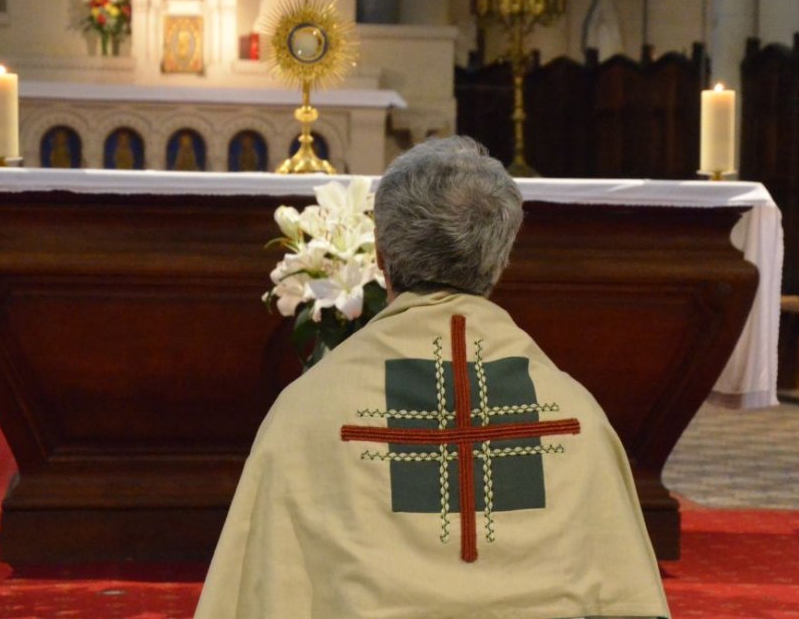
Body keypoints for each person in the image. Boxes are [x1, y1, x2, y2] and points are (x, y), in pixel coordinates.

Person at [194, 136, 669, 619]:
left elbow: (261, 589)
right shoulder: (573, 417)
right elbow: (623, 596)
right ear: (501, 259)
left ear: (379, 254)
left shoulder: (307, 412)